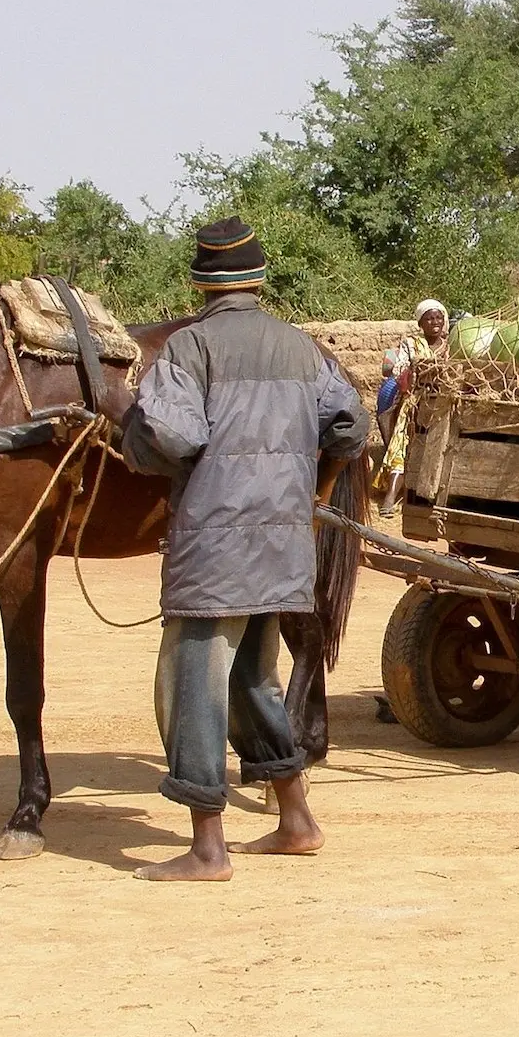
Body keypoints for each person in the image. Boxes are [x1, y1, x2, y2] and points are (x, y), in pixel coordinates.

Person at [120, 217, 371, 882]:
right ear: (258, 280)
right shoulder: (301, 349)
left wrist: (129, 429)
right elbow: (350, 428)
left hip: (213, 547)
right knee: (252, 680)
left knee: (191, 685)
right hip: (284, 543)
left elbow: (171, 440)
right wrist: (309, 494)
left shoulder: (190, 348)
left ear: (200, 283)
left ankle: (207, 848)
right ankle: (296, 821)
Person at [374, 299, 449, 517]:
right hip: (414, 402)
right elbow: (398, 370)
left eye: (438, 317)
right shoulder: (411, 344)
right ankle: (390, 499)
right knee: (401, 445)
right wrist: (417, 369)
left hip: (443, 404)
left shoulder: (452, 344)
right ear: (420, 324)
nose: (435, 322)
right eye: (429, 318)